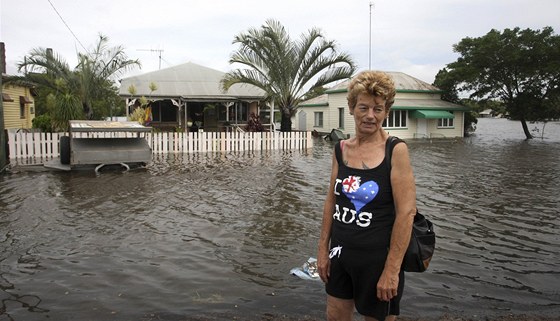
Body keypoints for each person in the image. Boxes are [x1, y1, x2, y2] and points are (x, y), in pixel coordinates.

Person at [317, 71, 417, 321]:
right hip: (340, 254)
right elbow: (331, 200)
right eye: (363, 107)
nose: (370, 116)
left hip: (378, 260)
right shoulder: (341, 149)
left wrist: (392, 270)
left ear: (386, 112)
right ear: (351, 108)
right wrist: (322, 250)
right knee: (335, 316)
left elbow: (407, 213)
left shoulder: (396, 150)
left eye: (378, 109)